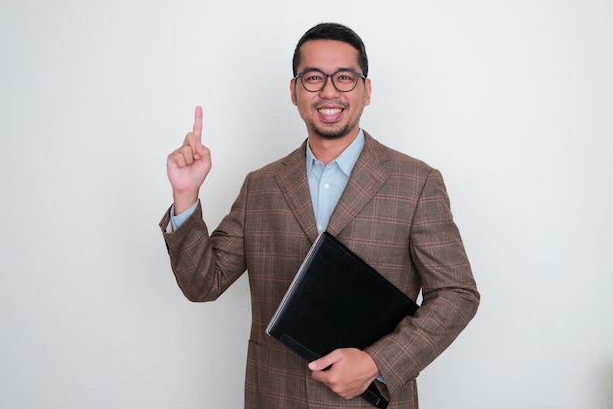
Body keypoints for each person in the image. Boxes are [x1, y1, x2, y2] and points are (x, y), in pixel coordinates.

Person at [160, 22, 479, 409]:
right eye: (313, 78)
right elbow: (201, 284)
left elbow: (456, 294)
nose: (329, 91)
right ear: (294, 91)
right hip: (274, 398)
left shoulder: (417, 183)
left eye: (344, 77)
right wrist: (185, 195)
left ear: (367, 89)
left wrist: (377, 362)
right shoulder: (261, 185)